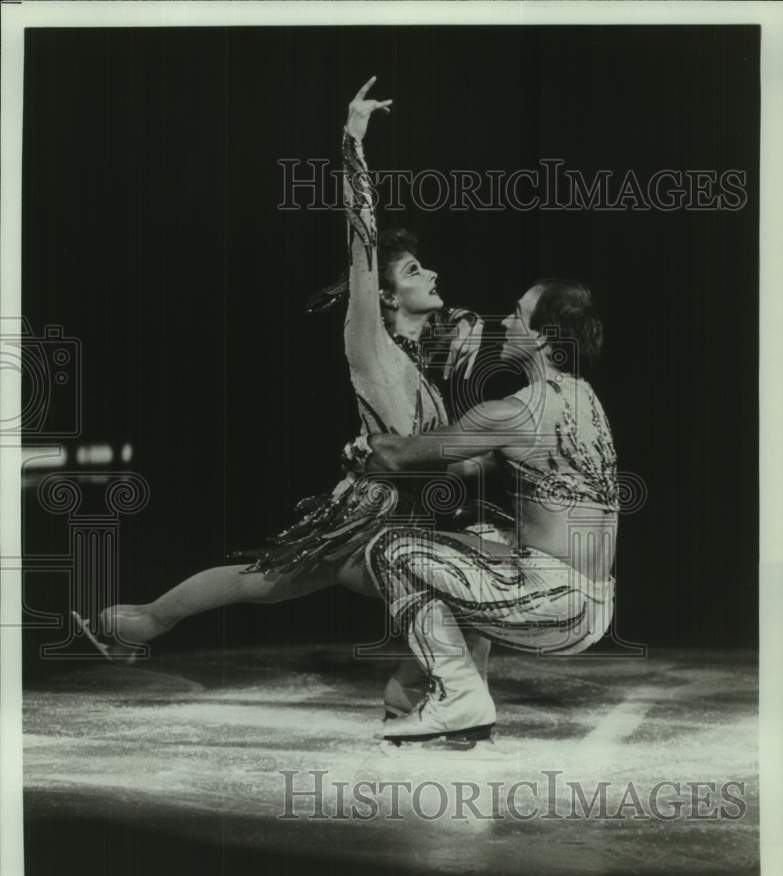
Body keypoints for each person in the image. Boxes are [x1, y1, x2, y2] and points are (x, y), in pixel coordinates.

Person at [75, 77, 488, 704]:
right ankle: (420, 694)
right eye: (413, 270)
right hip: (370, 519)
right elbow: (361, 235)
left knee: (261, 582)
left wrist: (473, 336)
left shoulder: (420, 366)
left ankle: (137, 622)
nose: (430, 272)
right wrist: (353, 140)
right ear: (382, 294)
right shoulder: (369, 339)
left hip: (388, 513)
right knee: (459, 581)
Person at [364, 279, 619, 743]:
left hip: (553, 604)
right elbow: (475, 464)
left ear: (541, 336)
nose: (503, 323)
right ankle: (469, 696)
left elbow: (397, 455)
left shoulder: (514, 412)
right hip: (594, 607)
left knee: (390, 550)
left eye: (516, 315)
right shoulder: (585, 400)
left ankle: (459, 697)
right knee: (480, 532)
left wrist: (363, 444)